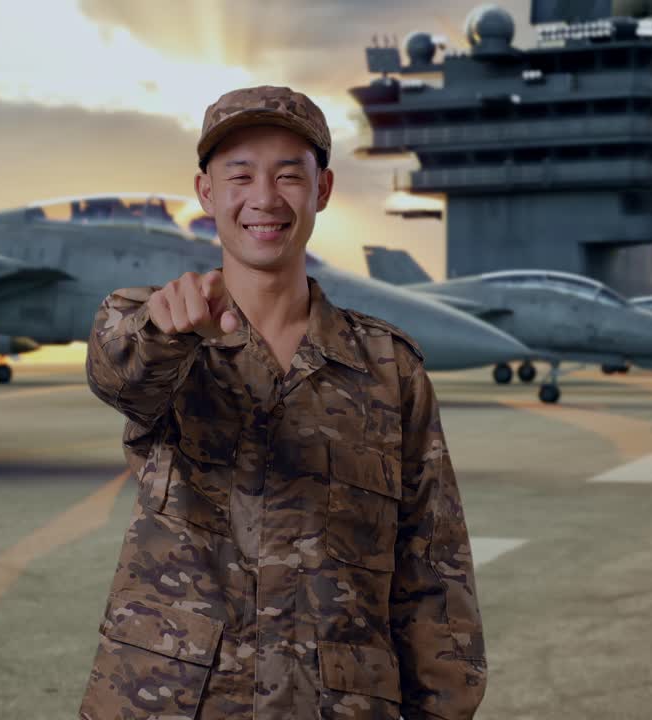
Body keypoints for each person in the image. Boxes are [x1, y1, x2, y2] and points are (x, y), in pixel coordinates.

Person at [78, 85, 486, 719]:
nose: (264, 198)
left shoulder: (388, 369)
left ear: (322, 191)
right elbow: (120, 374)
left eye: (288, 175)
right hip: (170, 701)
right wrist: (165, 334)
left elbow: (433, 569)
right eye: (239, 175)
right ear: (207, 192)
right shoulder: (159, 331)